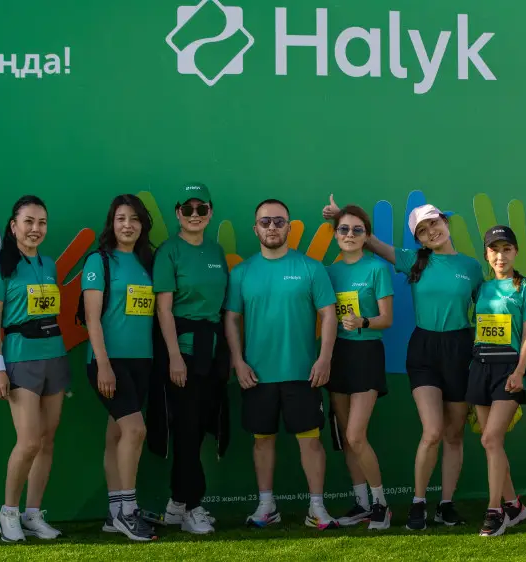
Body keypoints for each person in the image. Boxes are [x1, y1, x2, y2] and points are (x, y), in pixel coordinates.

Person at [323, 196, 482, 531]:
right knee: (433, 431)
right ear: (418, 239)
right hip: (424, 350)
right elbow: (371, 242)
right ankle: (418, 502)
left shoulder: (471, 267)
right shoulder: (413, 260)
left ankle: (446, 504)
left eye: (434, 223)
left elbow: (488, 308)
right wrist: (342, 216)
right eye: (422, 230)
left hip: (460, 348)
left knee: (454, 434)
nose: (431, 231)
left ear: (445, 222)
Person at [225, 199, 340, 529]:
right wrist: (238, 361)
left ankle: (316, 508)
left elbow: (328, 315)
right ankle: (267, 507)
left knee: (311, 441)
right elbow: (231, 319)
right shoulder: (242, 273)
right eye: (265, 222)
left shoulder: (310, 268)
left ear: (288, 226)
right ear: (255, 229)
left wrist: (324, 358)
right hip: (256, 375)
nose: (272, 227)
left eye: (279, 221)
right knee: (262, 440)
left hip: (303, 373)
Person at [0, 195, 70, 542]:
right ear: (14, 226)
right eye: (29, 222)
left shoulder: (49, 264)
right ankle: (8, 513)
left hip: (55, 356)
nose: (36, 229)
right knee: (29, 442)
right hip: (20, 358)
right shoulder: (1, 265)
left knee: (47, 441)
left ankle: (33, 514)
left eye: (42, 222)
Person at [80, 194, 157, 542]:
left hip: (142, 361)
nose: (128, 225)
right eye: (121, 218)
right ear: (112, 223)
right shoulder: (98, 261)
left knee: (117, 435)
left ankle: (114, 514)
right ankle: (128, 510)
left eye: (135, 219)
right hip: (108, 363)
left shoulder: (147, 262)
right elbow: (92, 318)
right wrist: (104, 365)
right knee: (135, 430)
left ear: (143, 225)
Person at [153, 183, 228, 535]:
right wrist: (174, 357)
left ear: (210, 212)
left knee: (198, 429)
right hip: (182, 351)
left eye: (201, 209)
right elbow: (164, 310)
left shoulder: (216, 251)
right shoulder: (169, 251)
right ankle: (192, 505)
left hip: (211, 351)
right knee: (185, 428)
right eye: (188, 209)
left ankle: (177, 504)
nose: (194, 215)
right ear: (178, 212)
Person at [467, 226, 526, 537]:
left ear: (516, 252)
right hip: (479, 366)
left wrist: (520, 371)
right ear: (487, 254)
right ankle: (514, 506)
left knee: (490, 440)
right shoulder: (481, 289)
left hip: (508, 369)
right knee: (491, 443)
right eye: (494, 250)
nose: (500, 256)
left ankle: (495, 511)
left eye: (506, 249)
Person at [326, 205, 394, 530]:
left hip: (367, 353)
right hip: (337, 354)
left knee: (356, 435)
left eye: (357, 230)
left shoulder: (377, 268)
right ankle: (361, 504)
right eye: (343, 229)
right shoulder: (329, 272)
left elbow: (387, 319)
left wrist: (363, 321)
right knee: (345, 435)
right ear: (335, 234)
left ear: (366, 236)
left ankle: (381, 504)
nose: (350, 235)